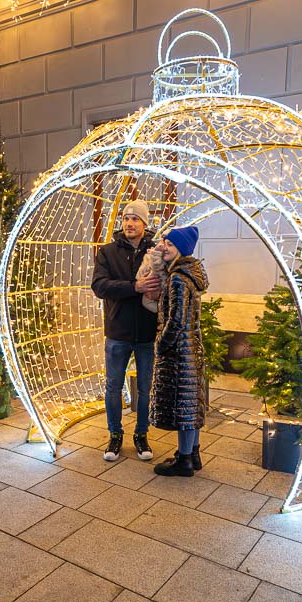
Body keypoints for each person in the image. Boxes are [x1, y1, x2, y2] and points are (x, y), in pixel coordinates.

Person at [91, 200, 161, 462]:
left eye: (136, 219)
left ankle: (141, 435)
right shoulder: (108, 252)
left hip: (146, 332)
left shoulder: (156, 251)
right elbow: (99, 286)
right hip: (117, 331)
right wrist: (135, 287)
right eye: (126, 218)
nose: (130, 223)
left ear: (145, 224)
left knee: (145, 387)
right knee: (113, 386)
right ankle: (115, 435)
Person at [150, 226, 209, 477]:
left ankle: (184, 461)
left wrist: (161, 345)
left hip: (179, 352)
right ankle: (192, 454)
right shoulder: (189, 275)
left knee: (184, 406)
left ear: (181, 250)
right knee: (190, 404)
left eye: (169, 244)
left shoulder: (177, 278)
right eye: (164, 242)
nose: (164, 246)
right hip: (191, 348)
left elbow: (176, 319)